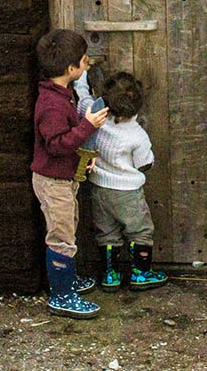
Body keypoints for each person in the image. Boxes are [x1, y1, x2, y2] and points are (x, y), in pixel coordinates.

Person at [31, 29, 110, 318]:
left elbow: (67, 141)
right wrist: (87, 126)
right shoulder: (51, 105)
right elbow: (55, 145)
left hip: (63, 179)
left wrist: (82, 157)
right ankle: (62, 296)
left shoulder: (63, 93)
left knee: (69, 227)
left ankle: (68, 280)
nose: (86, 64)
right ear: (70, 69)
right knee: (61, 236)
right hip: (52, 183)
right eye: (82, 61)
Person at [75, 69, 168, 290]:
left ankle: (110, 275)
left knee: (106, 233)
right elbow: (144, 163)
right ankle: (140, 273)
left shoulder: (96, 117)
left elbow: (83, 101)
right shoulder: (137, 135)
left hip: (99, 189)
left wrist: (81, 79)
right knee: (140, 231)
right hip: (128, 194)